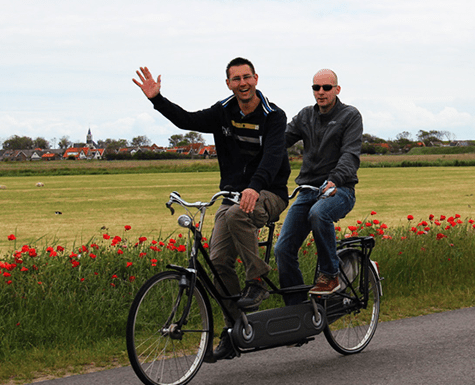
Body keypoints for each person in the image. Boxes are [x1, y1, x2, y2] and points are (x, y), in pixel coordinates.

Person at [132, 58, 290, 362]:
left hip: (269, 193)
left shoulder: (273, 116)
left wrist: (255, 187)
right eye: (235, 79)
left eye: (247, 77)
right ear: (228, 83)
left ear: (256, 78)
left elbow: (272, 158)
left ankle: (257, 281)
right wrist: (157, 99)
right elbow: (187, 120)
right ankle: (235, 330)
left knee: (234, 214)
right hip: (233, 197)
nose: (242, 83)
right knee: (217, 263)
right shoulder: (224, 111)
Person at [274, 69, 363, 300]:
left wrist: (334, 180)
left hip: (340, 189)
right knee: (282, 250)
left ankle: (330, 275)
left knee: (319, 213)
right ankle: (297, 310)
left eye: (326, 88)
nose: (321, 92)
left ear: (337, 89)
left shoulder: (350, 116)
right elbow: (280, 140)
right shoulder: (305, 116)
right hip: (308, 190)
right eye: (316, 88)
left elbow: (350, 155)